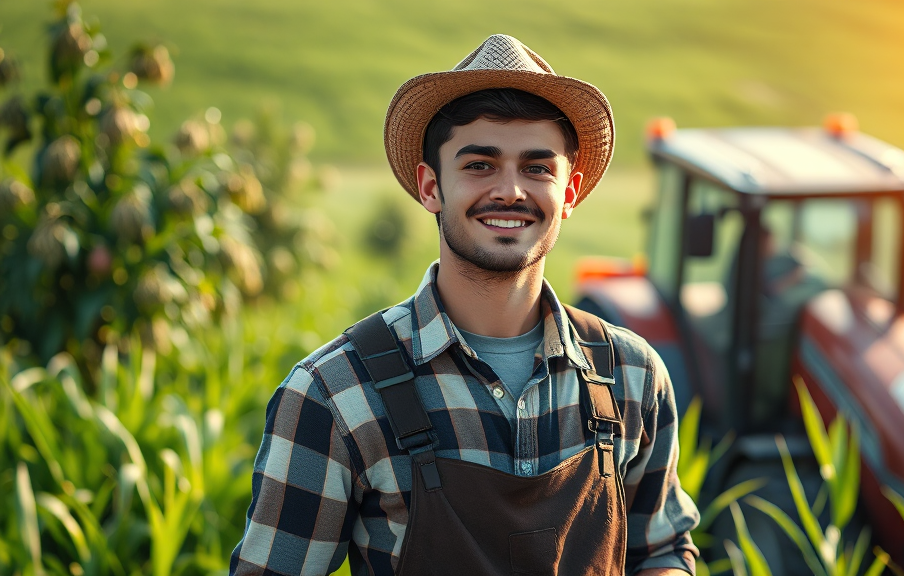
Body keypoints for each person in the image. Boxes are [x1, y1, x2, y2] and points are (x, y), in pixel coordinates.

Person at [230, 34, 699, 576]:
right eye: (479, 165)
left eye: (538, 168)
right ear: (432, 187)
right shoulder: (334, 394)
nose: (511, 191)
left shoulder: (632, 375)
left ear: (568, 193)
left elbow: (658, 550)